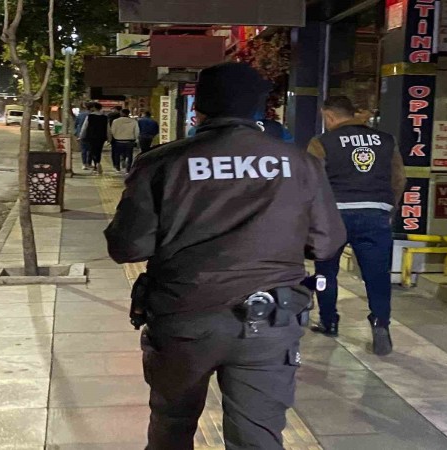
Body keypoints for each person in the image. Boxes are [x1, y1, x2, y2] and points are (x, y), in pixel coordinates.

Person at [104, 62, 345, 449]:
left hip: (183, 317)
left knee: (171, 426)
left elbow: (127, 247)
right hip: (269, 320)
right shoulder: (301, 164)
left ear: (198, 108)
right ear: (258, 107)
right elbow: (326, 243)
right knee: (257, 438)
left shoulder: (162, 162)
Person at [306, 96, 406, 356]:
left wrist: (312, 218)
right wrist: (388, 209)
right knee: (377, 275)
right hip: (375, 213)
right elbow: (398, 178)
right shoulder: (386, 140)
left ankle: (328, 321)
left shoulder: (322, 142)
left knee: (325, 272)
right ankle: (380, 323)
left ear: (328, 116)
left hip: (334, 217)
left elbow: (311, 182)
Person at [79, 102, 109, 174]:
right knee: (99, 150)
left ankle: (96, 164)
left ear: (94, 108)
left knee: (92, 151)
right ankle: (98, 163)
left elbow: (84, 127)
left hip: (91, 136)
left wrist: (81, 136)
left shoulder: (90, 116)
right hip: (101, 137)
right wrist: (109, 138)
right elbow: (108, 128)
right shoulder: (105, 117)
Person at [110, 108, 139, 174]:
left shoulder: (115, 121)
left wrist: (115, 136)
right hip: (130, 141)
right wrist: (136, 139)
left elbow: (112, 131)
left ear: (121, 113)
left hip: (118, 141)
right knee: (129, 155)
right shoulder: (134, 121)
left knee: (117, 155)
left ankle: (118, 168)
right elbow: (137, 131)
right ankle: (128, 169)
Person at [75, 102, 91, 170]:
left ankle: (84, 164)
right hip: (91, 135)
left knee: (84, 150)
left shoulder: (80, 115)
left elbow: (76, 125)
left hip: (81, 135)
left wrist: (77, 133)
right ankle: (89, 163)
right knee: (90, 150)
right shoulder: (93, 115)